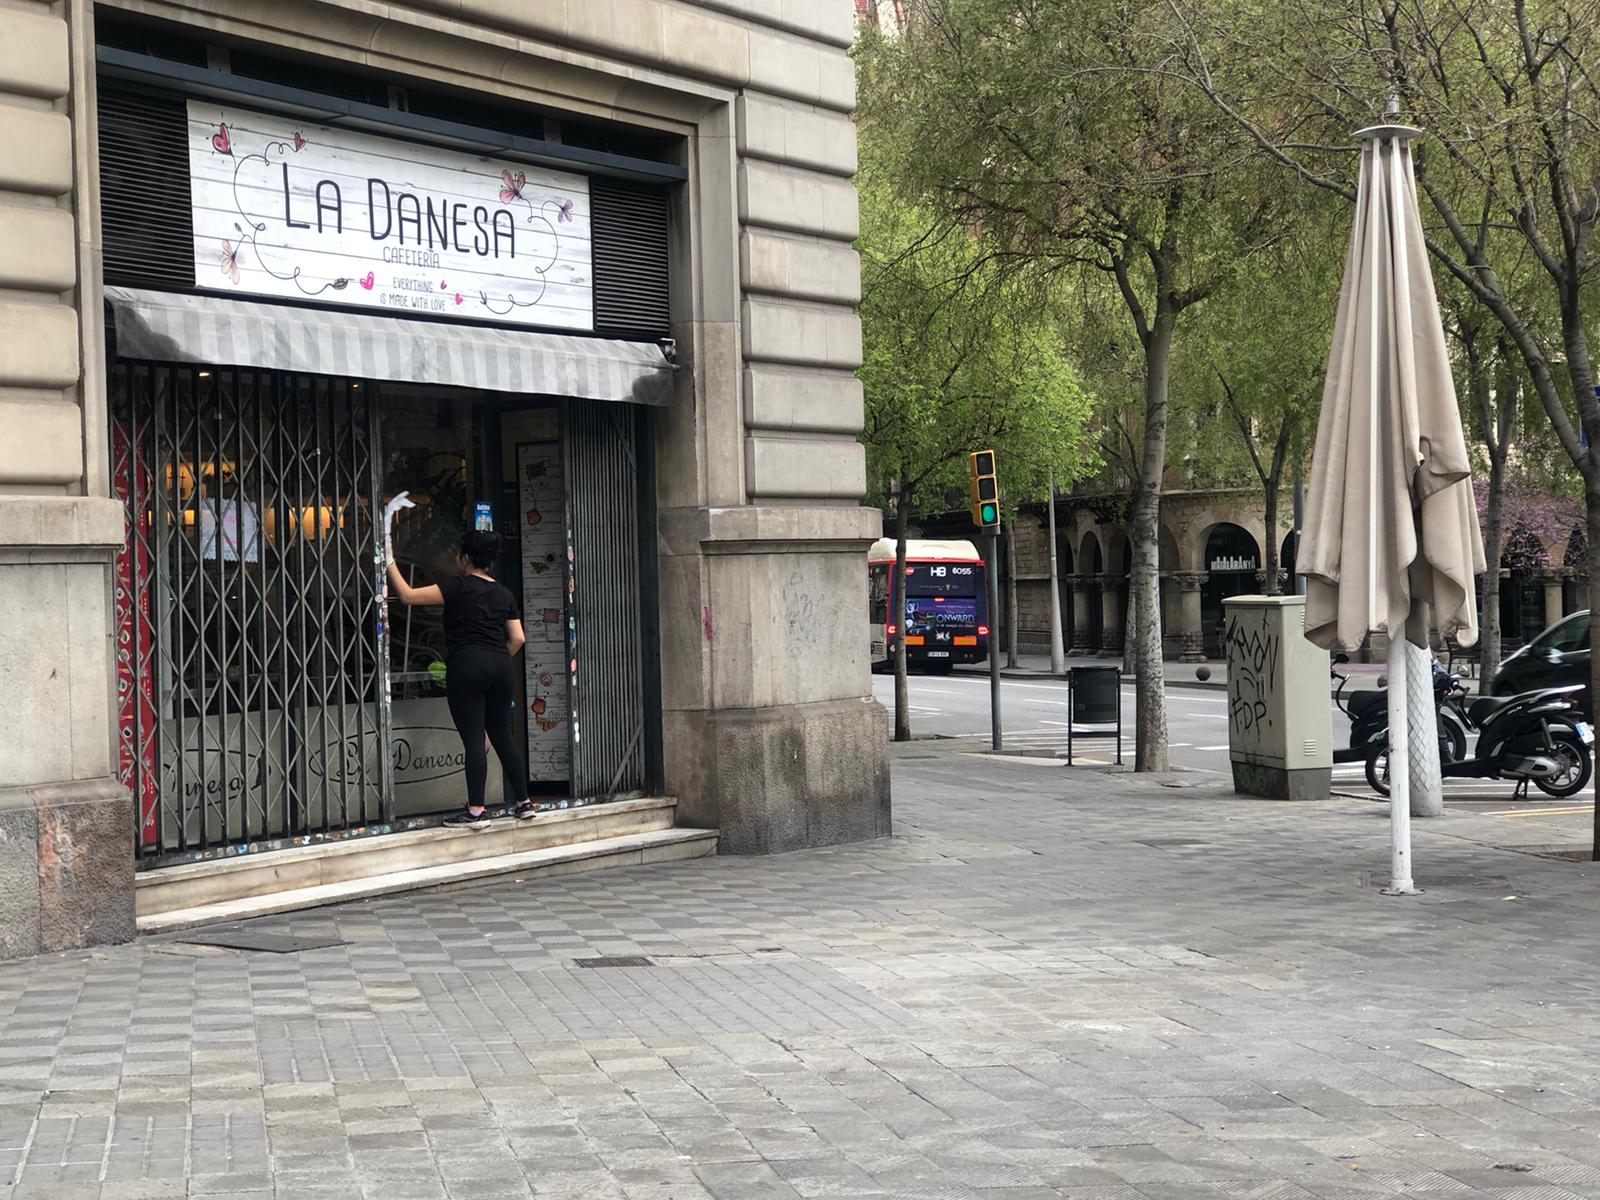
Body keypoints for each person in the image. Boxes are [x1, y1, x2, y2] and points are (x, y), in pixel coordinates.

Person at [386, 527, 536, 828]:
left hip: (466, 665)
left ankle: (477, 811)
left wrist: (388, 559)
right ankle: (524, 803)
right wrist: (496, 659)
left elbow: (407, 596)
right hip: (500, 666)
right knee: (503, 735)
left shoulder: (456, 587)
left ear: (464, 557)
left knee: (473, 740)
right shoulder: (504, 593)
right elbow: (518, 638)